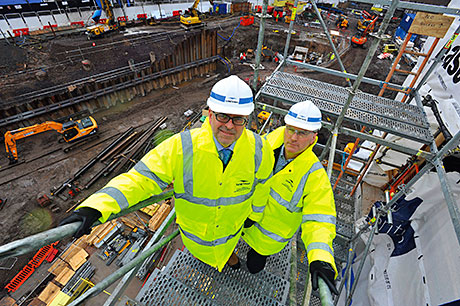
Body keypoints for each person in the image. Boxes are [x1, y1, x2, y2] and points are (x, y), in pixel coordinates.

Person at [59, 75, 274, 272]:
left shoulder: (260, 149)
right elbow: (141, 178)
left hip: (231, 230)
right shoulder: (182, 147)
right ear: (209, 113)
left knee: (226, 250)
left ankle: (228, 257)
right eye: (222, 116)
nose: (229, 125)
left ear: (246, 118)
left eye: (238, 119)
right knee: (201, 255)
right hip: (196, 234)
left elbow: (262, 185)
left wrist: (253, 216)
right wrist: (95, 207)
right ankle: (212, 259)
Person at [242, 101, 338, 294]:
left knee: (254, 266)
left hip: (266, 240)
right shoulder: (270, 140)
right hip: (243, 220)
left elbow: (319, 219)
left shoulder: (314, 176)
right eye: (291, 129)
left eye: (302, 133)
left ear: (313, 138)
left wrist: (321, 259)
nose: (293, 138)